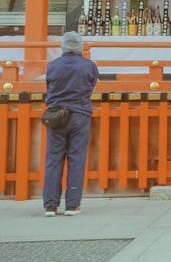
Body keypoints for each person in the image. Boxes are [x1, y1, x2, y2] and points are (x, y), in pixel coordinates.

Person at [43, 31, 99, 217]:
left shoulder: (53, 66)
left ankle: (50, 205)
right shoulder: (89, 66)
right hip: (80, 114)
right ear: (80, 46)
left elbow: (49, 87)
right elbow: (91, 87)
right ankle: (72, 205)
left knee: (53, 159)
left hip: (57, 115)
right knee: (76, 159)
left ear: (63, 46)